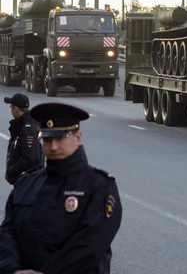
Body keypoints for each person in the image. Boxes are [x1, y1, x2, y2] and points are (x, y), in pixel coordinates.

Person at [0, 102, 123, 274]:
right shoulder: (26, 183)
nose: (54, 146)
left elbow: (89, 246)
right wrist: (12, 269)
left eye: (61, 138)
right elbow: (7, 232)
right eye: (48, 139)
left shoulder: (99, 186)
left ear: (77, 137)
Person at [4, 93, 43, 186]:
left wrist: (12, 170)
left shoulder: (28, 129)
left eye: (10, 107)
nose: (10, 110)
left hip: (28, 181)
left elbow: (31, 157)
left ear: (15, 108)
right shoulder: (21, 125)